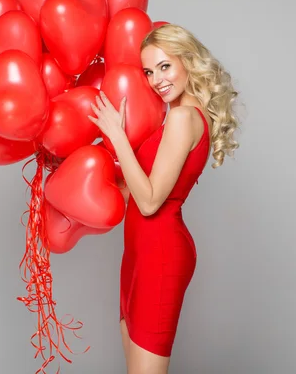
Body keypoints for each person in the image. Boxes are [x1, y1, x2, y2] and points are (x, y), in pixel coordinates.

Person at [88, 23, 240, 374]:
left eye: (164, 66)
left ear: (187, 61)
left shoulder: (185, 118)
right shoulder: (171, 120)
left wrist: (117, 134)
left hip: (161, 254)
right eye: (148, 71)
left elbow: (151, 202)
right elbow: (132, 191)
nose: (156, 79)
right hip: (139, 252)